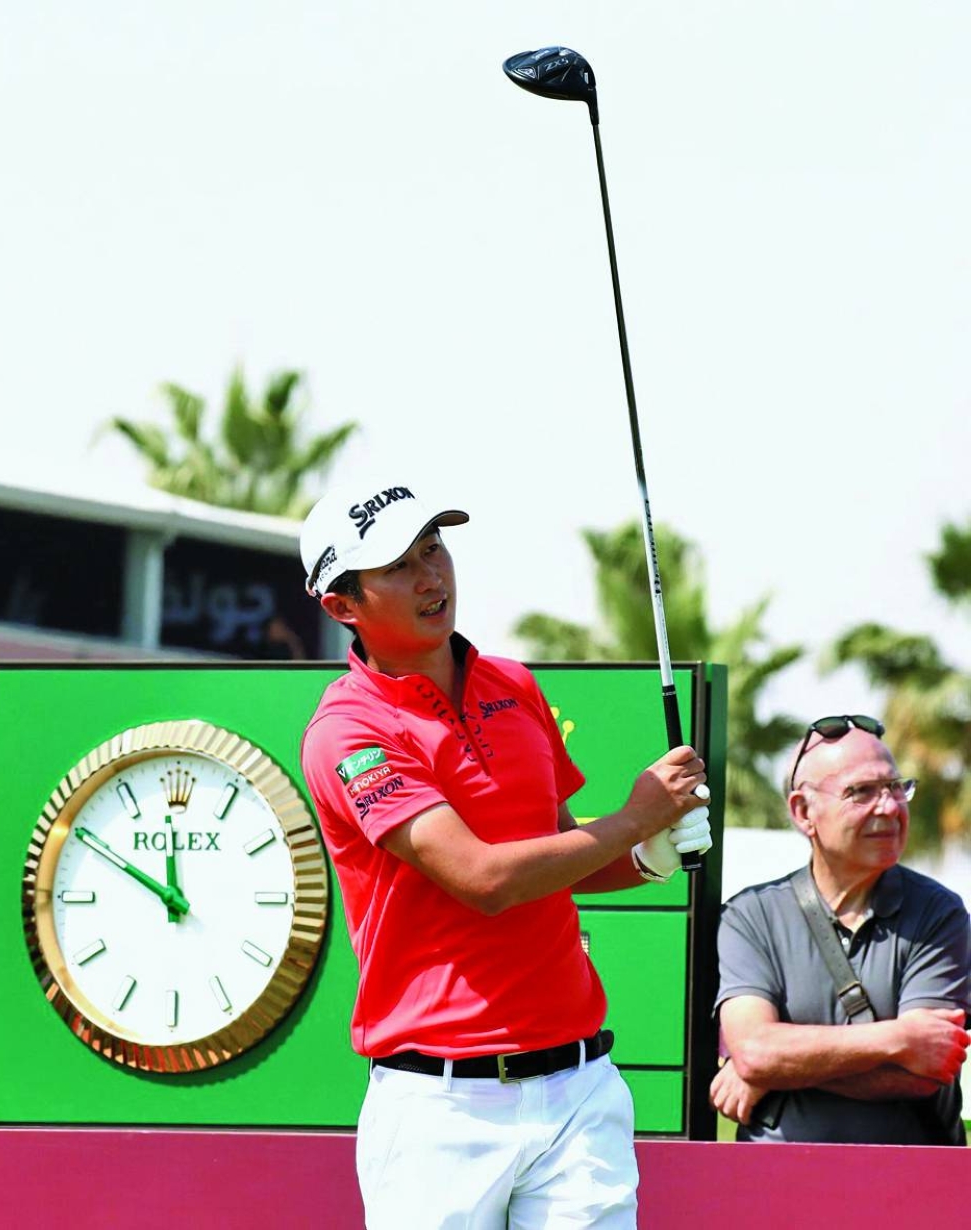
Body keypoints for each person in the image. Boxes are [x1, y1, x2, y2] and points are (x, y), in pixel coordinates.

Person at [298, 477, 713, 1228]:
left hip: (579, 1088)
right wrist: (634, 817)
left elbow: (559, 853)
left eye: (434, 549)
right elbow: (483, 880)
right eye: (398, 565)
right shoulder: (348, 731)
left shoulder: (512, 685)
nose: (431, 576)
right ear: (342, 606)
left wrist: (649, 853)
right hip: (439, 1108)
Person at [711, 713, 971, 1144]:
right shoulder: (749, 916)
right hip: (773, 1176)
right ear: (803, 812)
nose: (889, 807)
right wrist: (897, 1037)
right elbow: (755, 1050)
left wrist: (774, 1070)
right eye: (862, 792)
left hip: (907, 1175)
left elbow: (927, 1071)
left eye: (895, 787)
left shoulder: (938, 913)